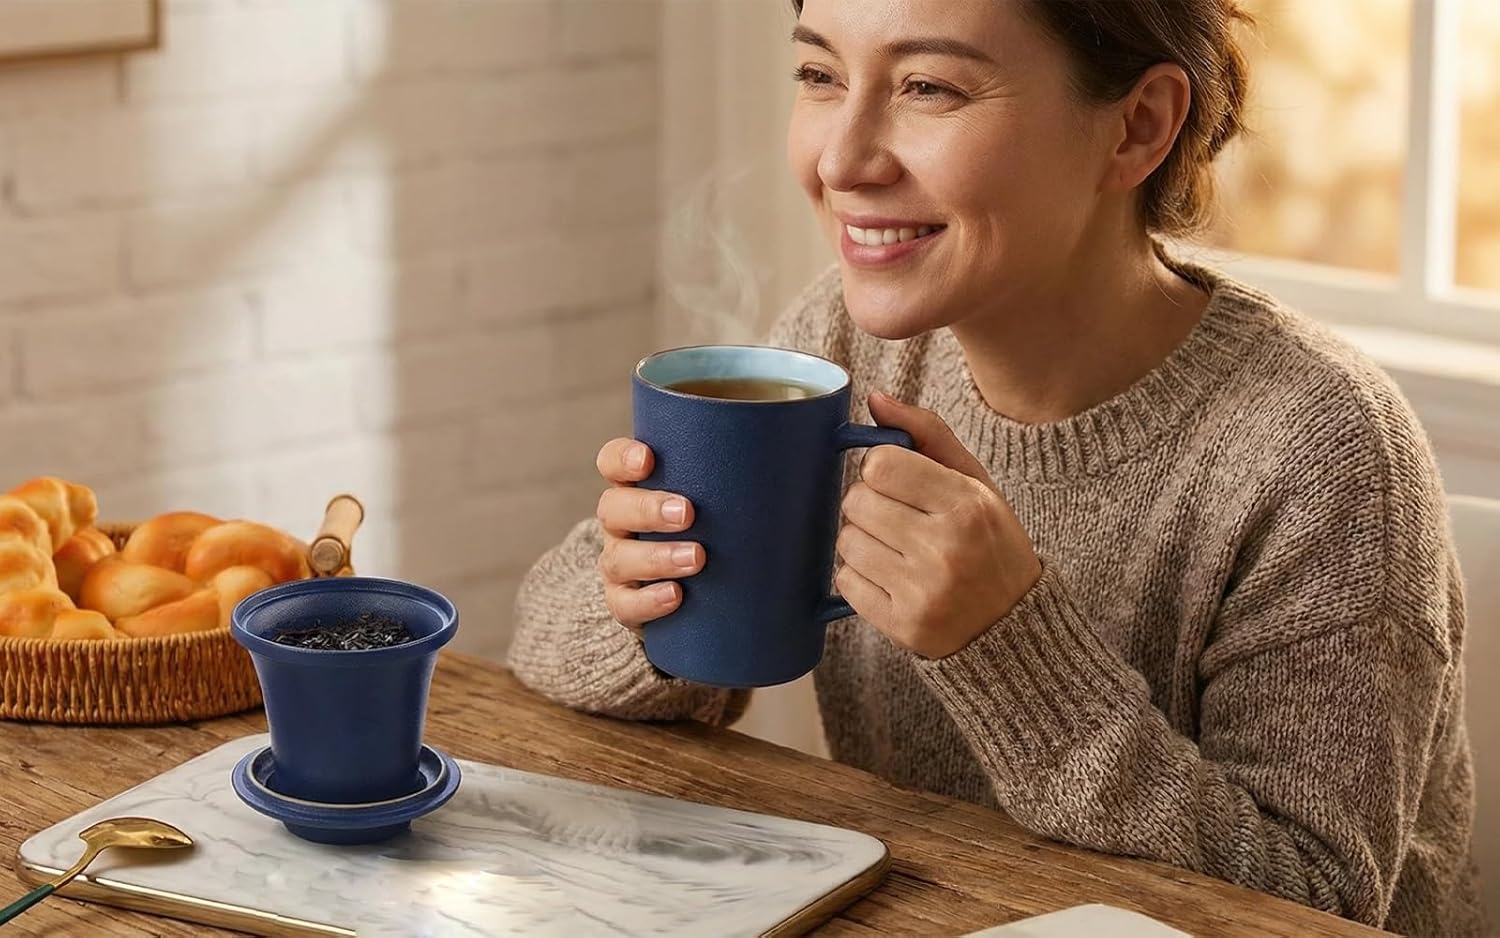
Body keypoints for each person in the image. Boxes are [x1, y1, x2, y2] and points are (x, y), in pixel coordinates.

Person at [506, 1, 1483, 934]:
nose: (841, 158)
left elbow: (1314, 905)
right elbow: (542, 647)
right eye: (819, 73)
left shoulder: (1323, 452)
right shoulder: (840, 348)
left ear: (1137, 128)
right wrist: (650, 594)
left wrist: (1009, 644)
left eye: (929, 87)